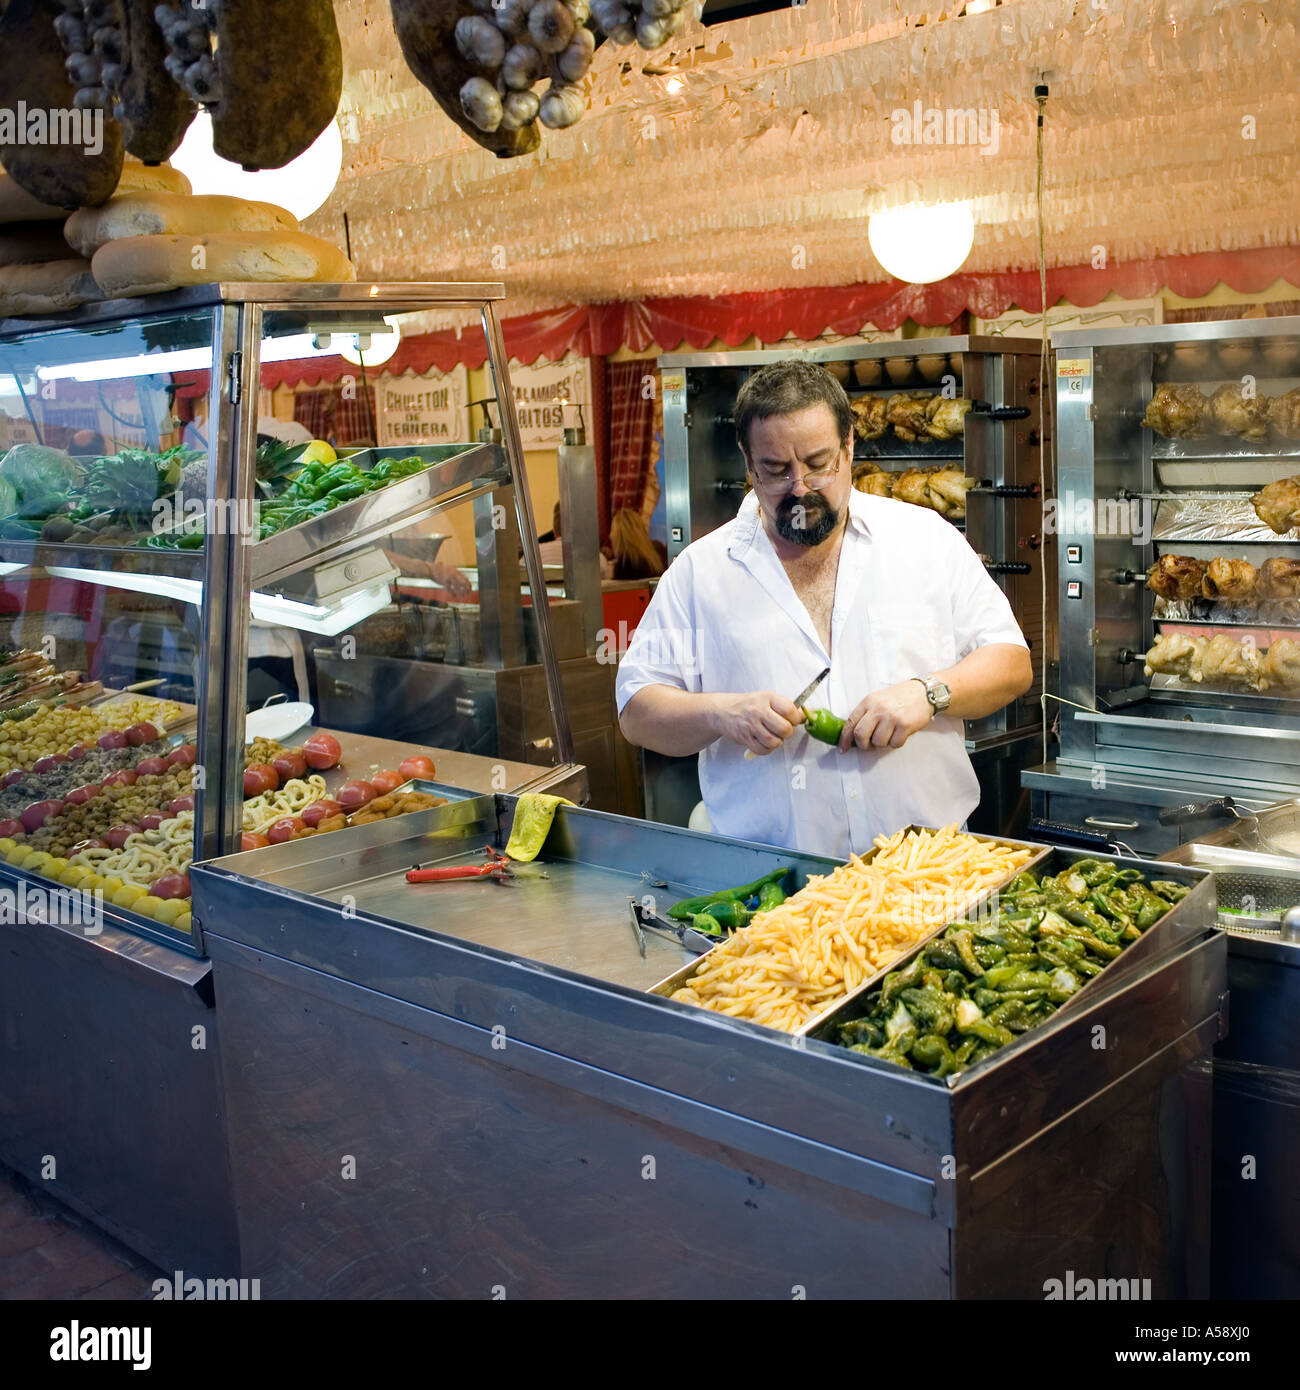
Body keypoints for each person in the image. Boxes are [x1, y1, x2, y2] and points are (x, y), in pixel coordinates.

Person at [615, 361, 1033, 859]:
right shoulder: (698, 573)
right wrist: (723, 713)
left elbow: (1011, 662)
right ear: (748, 463)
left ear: (850, 445)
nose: (800, 487)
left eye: (818, 462)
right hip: (775, 882)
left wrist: (929, 693)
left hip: (927, 871)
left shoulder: (926, 539)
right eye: (776, 469)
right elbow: (637, 710)